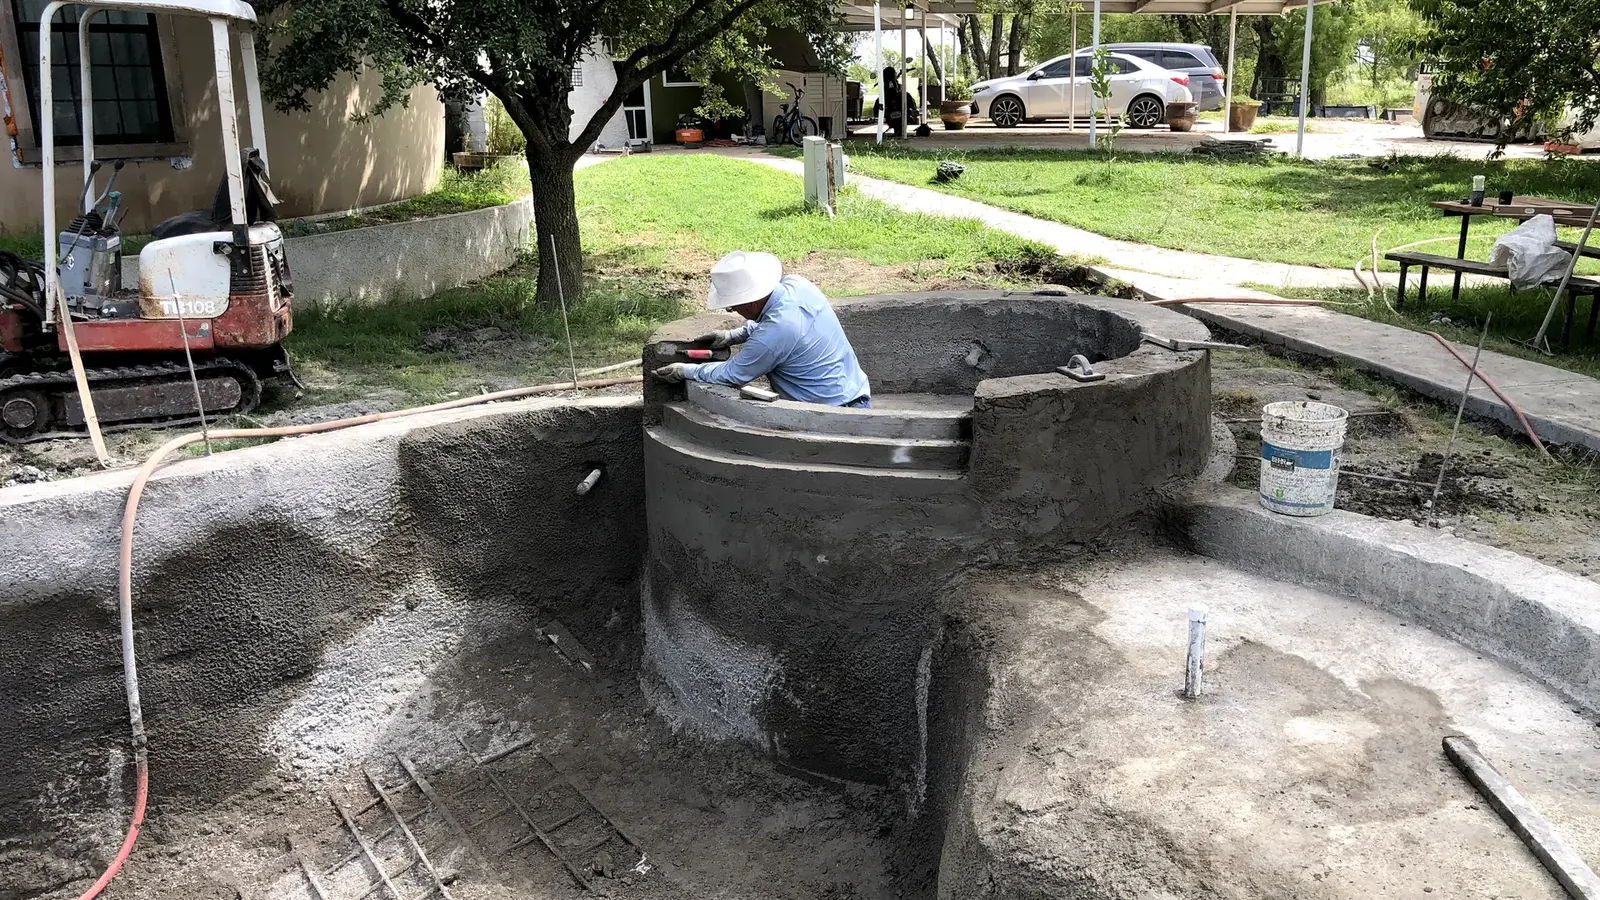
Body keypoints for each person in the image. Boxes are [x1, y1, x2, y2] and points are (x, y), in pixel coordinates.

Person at [653, 251, 872, 408]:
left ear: (748, 302)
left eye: (733, 306)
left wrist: (685, 371)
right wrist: (733, 336)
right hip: (854, 395)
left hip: (830, 415)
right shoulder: (797, 285)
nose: (734, 311)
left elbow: (733, 374)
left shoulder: (773, 335)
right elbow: (776, 320)